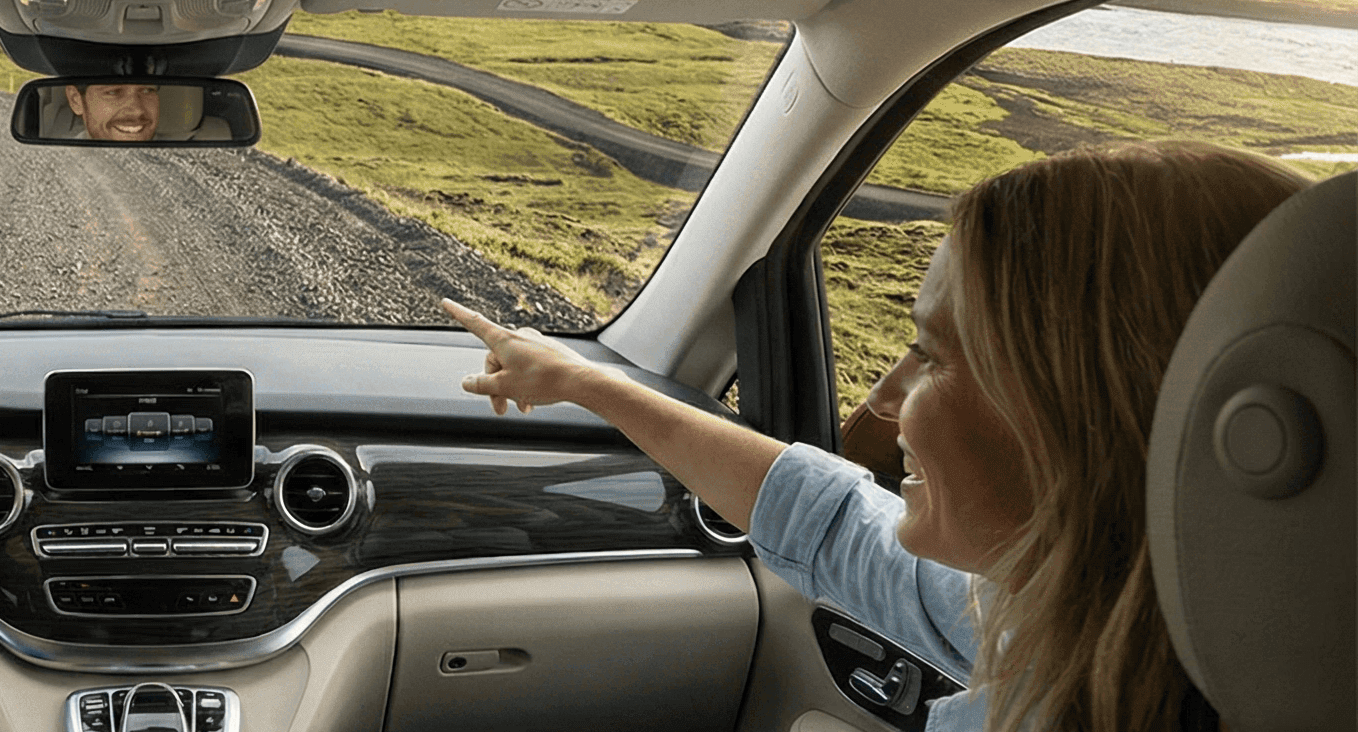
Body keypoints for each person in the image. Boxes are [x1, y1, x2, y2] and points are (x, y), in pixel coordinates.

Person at [444, 140, 1308, 732]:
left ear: (1081, 416)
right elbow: (834, 526)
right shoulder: (1069, 614)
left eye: (933, 355)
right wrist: (585, 380)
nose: (888, 397)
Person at [65, 82, 162, 141]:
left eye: (147, 90)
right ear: (76, 100)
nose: (137, 111)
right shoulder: (62, 161)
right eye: (113, 92)